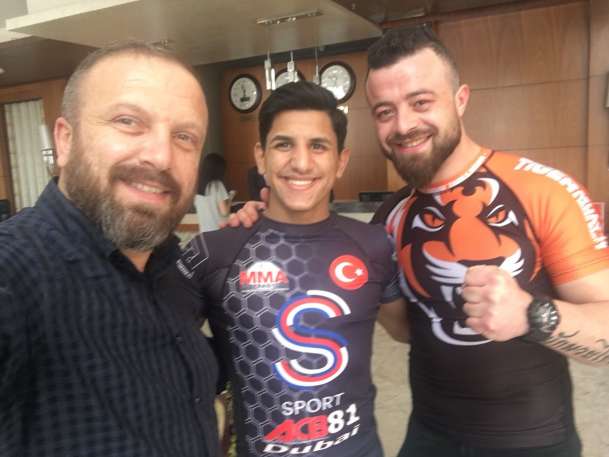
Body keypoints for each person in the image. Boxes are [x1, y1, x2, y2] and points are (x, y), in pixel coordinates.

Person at [365, 26, 609, 457]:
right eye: (385, 111)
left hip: (535, 444)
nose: (403, 125)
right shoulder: (391, 216)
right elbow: (407, 330)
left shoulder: (543, 190)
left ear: (460, 100)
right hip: (428, 438)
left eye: (421, 102)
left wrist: (532, 315)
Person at [0, 42, 220, 457]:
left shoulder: (170, 269)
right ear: (65, 140)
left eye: (184, 137)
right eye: (128, 121)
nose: (161, 156)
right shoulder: (17, 272)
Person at [173, 81, 407, 457]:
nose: (301, 162)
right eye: (284, 145)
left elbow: (408, 329)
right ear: (261, 156)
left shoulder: (374, 244)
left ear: (341, 160)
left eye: (318, 146)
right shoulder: (214, 252)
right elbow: (157, 352)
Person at [195, 153, 234, 232]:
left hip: (204, 231)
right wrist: (231, 196)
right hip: (218, 230)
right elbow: (224, 212)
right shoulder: (217, 185)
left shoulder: (196, 185)